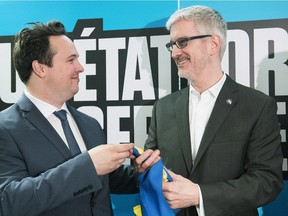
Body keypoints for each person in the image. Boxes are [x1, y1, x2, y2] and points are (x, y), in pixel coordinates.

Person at [0, 20, 159, 216]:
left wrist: (138, 172)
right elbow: (8, 200)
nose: (80, 67)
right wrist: (88, 165)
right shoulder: (5, 128)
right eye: (71, 60)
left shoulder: (88, 123)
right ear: (40, 68)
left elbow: (104, 180)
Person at [140, 5, 284, 216]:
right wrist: (144, 168)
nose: (175, 52)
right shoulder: (163, 108)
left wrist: (199, 195)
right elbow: (154, 168)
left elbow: (266, 181)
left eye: (182, 42)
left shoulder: (257, 106)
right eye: (172, 44)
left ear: (213, 44)